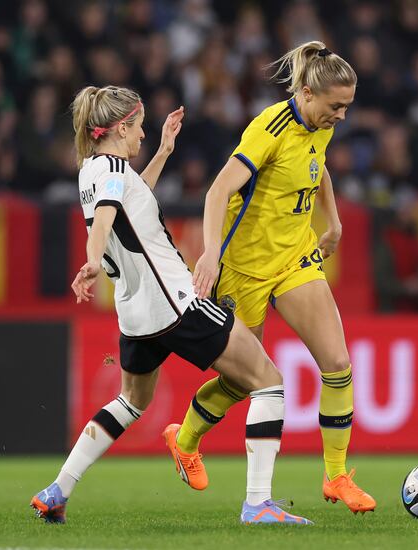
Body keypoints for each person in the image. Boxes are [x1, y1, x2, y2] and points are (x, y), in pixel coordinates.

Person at [30, 85, 311, 526]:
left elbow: (128, 200)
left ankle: (58, 489)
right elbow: (106, 215)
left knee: (131, 401)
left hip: (135, 315)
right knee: (269, 381)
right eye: (140, 129)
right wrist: (90, 261)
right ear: (121, 128)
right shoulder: (111, 169)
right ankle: (258, 503)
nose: (142, 136)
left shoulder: (92, 169)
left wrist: (162, 151)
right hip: (176, 303)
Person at [164, 40, 376, 514]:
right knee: (245, 381)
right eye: (336, 106)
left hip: (295, 257)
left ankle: (336, 476)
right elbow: (219, 188)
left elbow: (316, 168)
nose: (341, 116)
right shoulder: (269, 127)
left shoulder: (320, 124)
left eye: (347, 107)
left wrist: (334, 220)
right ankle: (185, 438)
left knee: (338, 364)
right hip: (244, 269)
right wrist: (211, 256)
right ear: (306, 92)